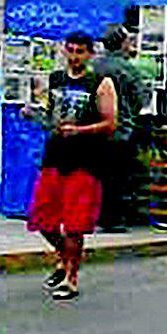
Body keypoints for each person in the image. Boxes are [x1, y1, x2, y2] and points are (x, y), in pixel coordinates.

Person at [23, 31, 117, 301]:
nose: (74, 56)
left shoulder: (100, 83)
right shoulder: (56, 80)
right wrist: (34, 113)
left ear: (89, 54)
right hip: (55, 157)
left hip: (85, 161)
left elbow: (111, 123)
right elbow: (50, 113)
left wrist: (81, 130)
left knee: (75, 225)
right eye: (71, 50)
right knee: (42, 219)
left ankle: (71, 277)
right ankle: (64, 256)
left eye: (80, 51)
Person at [92, 24, 147, 232]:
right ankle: (113, 218)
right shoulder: (128, 69)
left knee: (99, 175)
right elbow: (139, 99)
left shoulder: (94, 66)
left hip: (95, 130)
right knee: (118, 177)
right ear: (123, 43)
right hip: (120, 131)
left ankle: (97, 215)